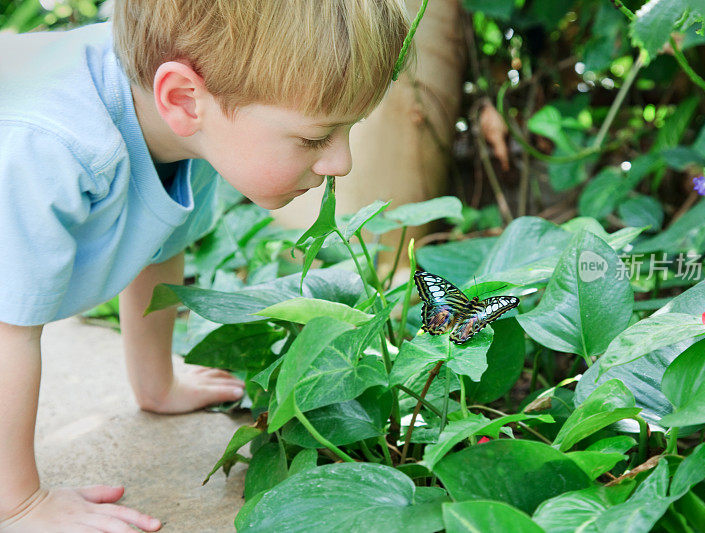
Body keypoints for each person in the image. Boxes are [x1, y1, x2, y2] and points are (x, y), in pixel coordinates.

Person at [0, 0, 410, 530]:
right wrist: (19, 502)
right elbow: (8, 326)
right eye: (314, 137)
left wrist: (157, 385)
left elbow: (159, 245)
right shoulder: (53, 146)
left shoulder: (196, 124)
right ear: (183, 99)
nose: (341, 162)